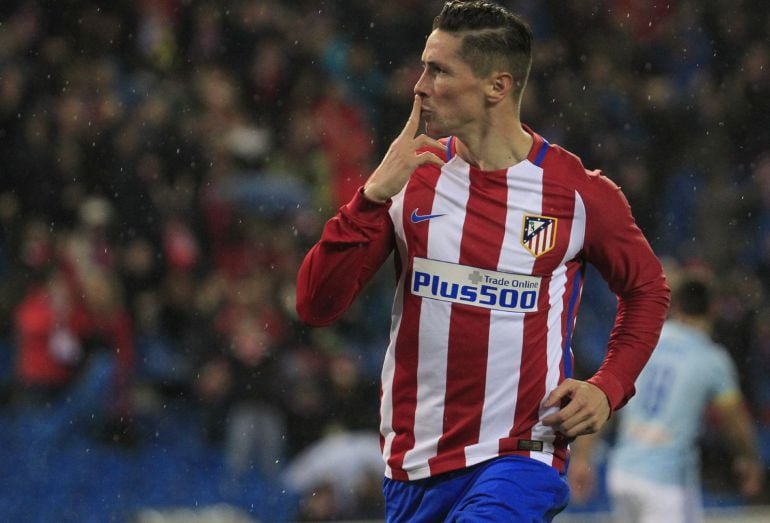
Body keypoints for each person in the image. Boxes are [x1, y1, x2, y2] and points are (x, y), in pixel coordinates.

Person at [296, 1, 670, 520]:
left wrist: (608, 387)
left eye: (439, 70)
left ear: (497, 86)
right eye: (424, 66)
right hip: (413, 466)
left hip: (520, 455)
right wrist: (372, 196)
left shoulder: (577, 194)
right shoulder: (409, 179)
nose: (419, 85)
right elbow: (316, 305)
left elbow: (648, 289)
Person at [569, 270, 764, 523]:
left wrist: (583, 457)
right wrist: (748, 459)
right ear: (713, 309)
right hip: (666, 481)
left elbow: (606, 396)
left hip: (624, 473)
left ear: (677, 305)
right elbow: (734, 419)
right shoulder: (712, 358)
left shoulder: (646, 343)